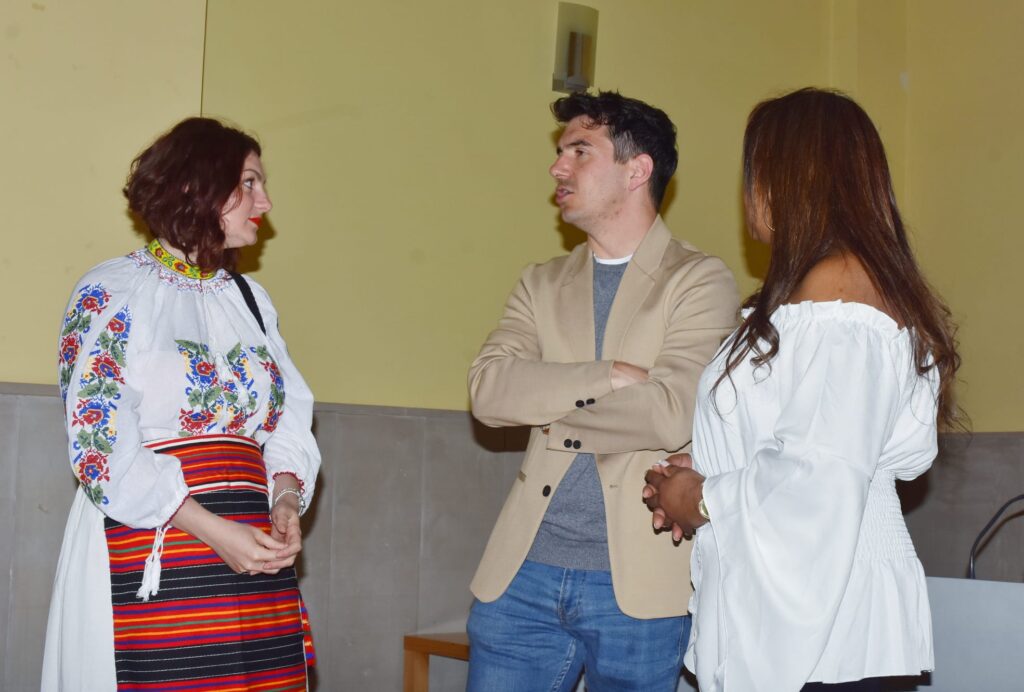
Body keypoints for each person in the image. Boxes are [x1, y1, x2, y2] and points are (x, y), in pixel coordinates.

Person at [643, 88, 961, 692]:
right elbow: (807, 440)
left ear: (787, 176)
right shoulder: (824, 294)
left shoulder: (839, 297)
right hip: (811, 612)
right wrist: (710, 467)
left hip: (830, 626)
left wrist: (704, 498)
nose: (747, 193)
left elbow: (819, 476)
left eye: (753, 171)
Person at [466, 90, 739, 691]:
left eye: (579, 151)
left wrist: (544, 410)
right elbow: (487, 392)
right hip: (521, 576)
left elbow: (670, 411)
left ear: (636, 170)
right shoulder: (540, 283)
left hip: (640, 586)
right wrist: (608, 374)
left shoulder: (698, 280)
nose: (556, 167)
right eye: (560, 152)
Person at [42, 117, 321, 691]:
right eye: (249, 183)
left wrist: (286, 500)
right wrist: (209, 527)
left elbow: (290, 412)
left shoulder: (250, 299)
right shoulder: (113, 290)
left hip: (251, 544)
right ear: (197, 186)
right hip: (153, 541)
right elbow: (99, 442)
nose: (265, 201)